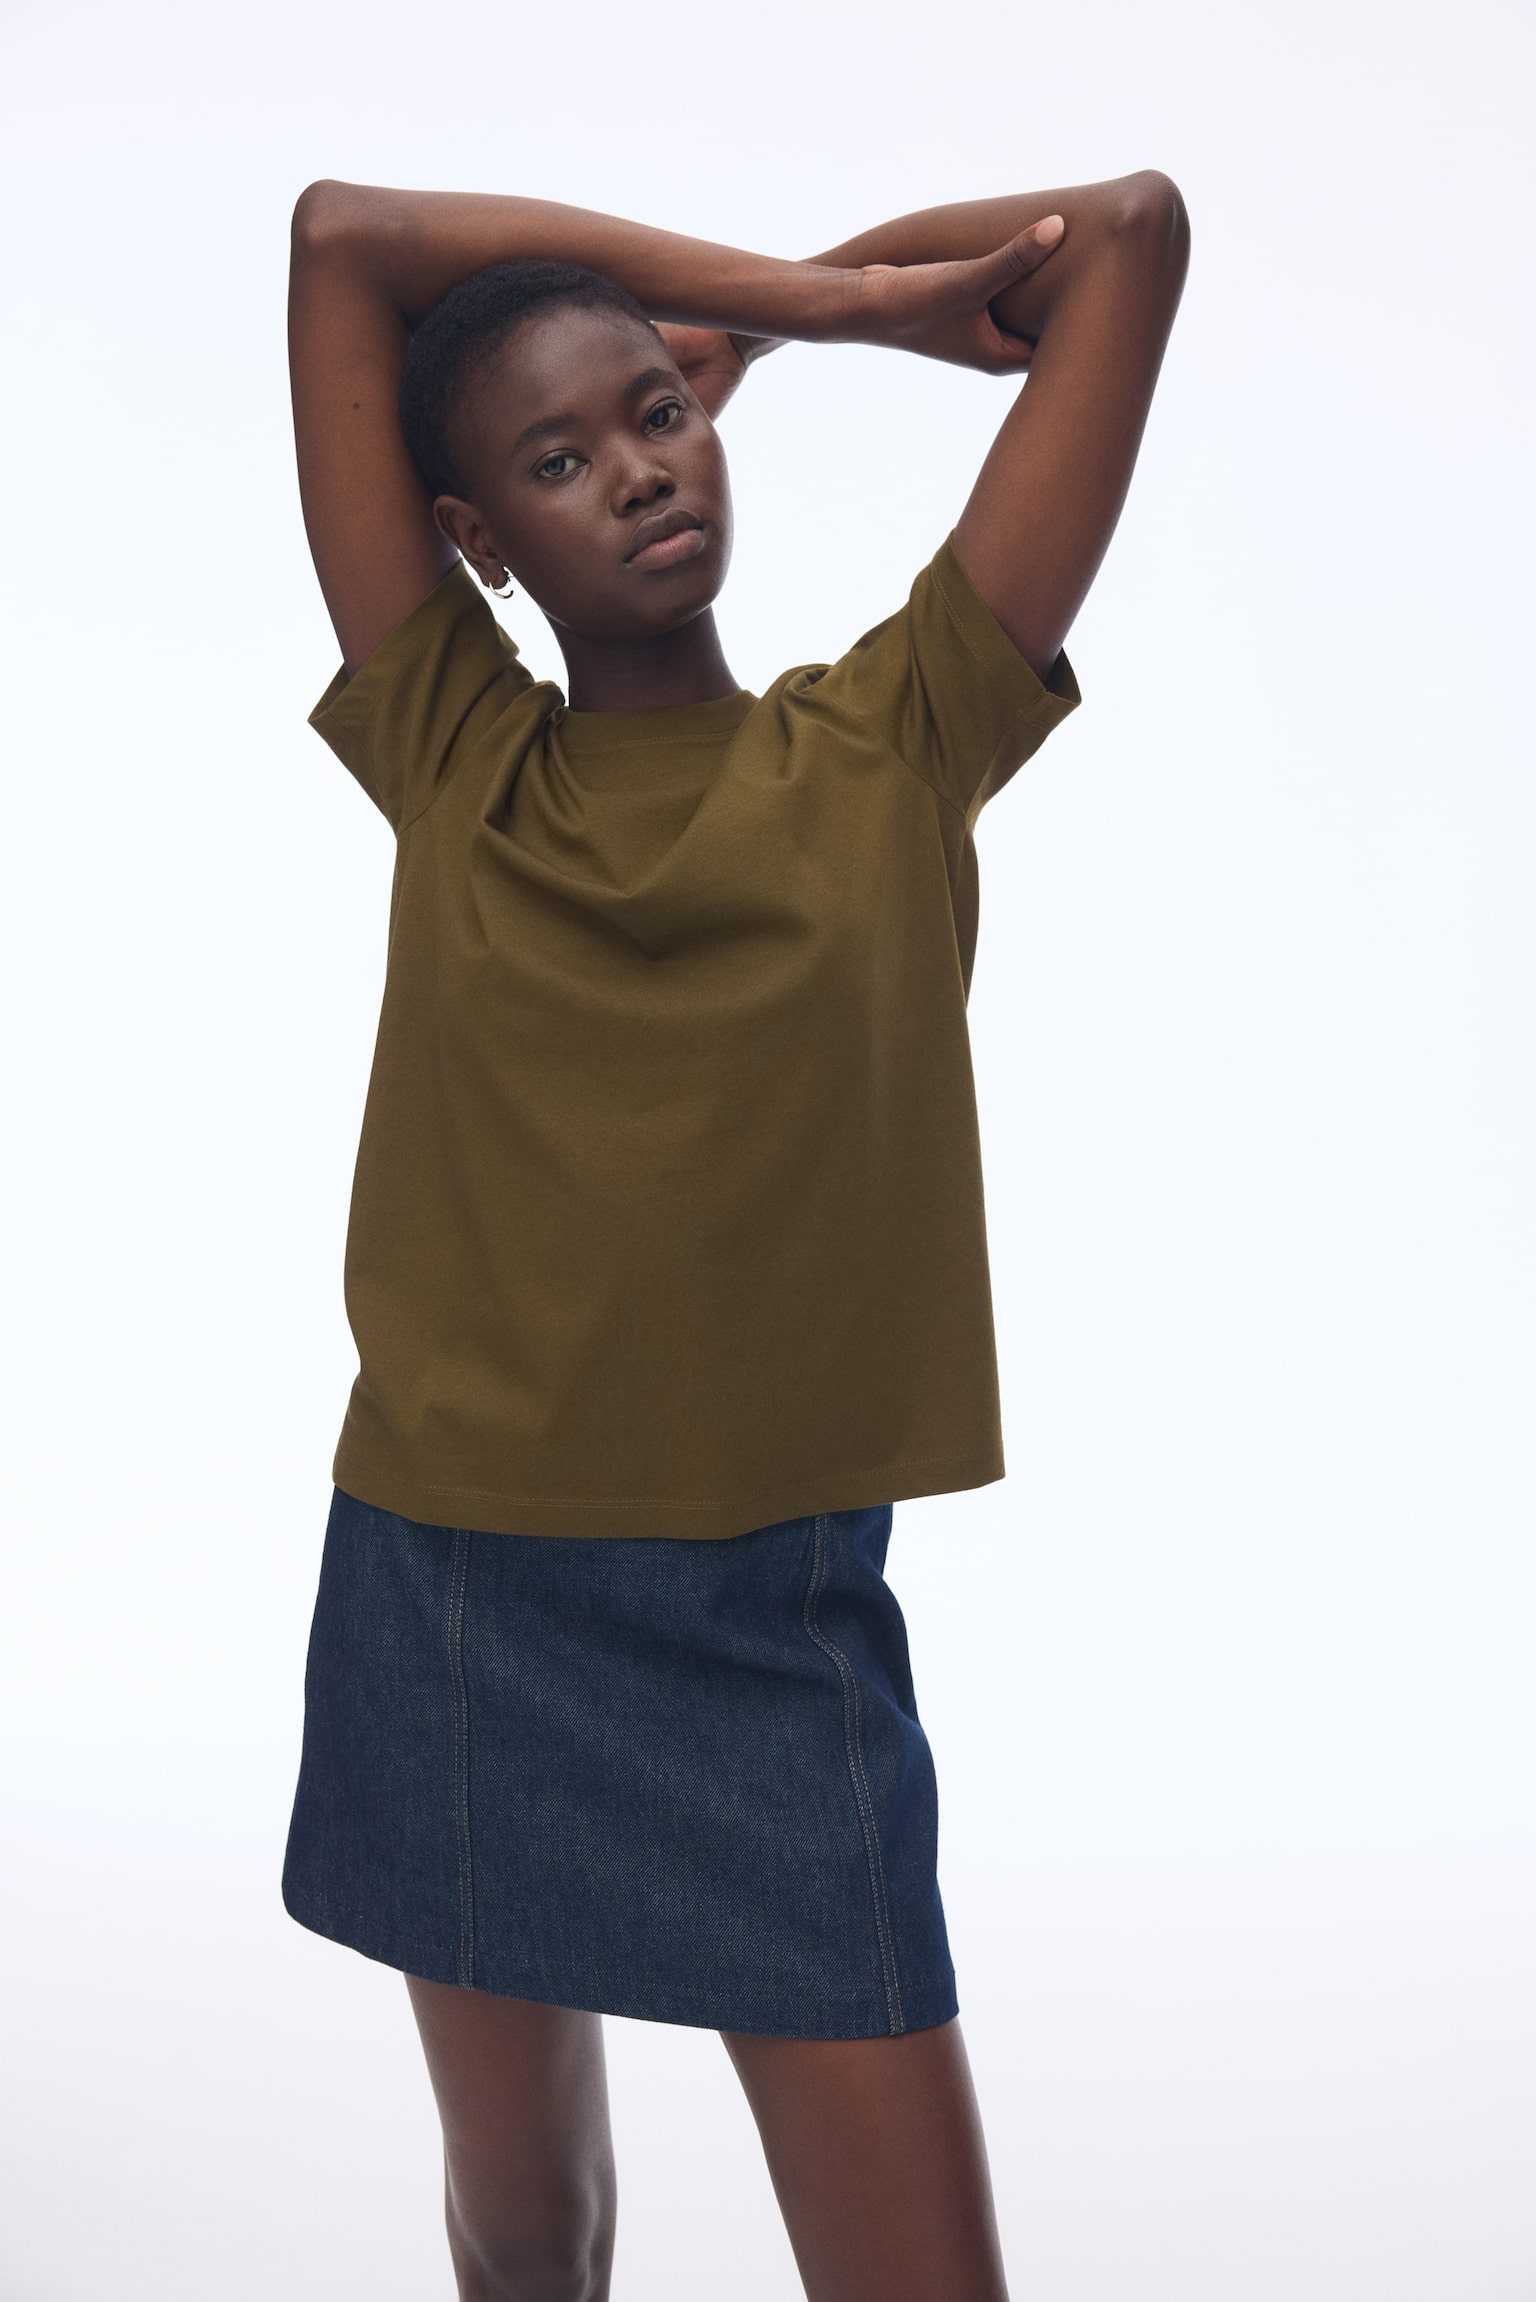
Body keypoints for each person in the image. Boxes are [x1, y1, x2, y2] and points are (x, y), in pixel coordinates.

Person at [280, 168, 1189, 2302]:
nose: (638, 471)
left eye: (658, 416)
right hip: (457, 1586)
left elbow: (1130, 237)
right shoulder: (453, 754)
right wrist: (791, 309)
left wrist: (806, 323)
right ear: (474, 539)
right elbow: (339, 245)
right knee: (528, 2230)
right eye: (558, 459)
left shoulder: (899, 736)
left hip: (768, 1624)